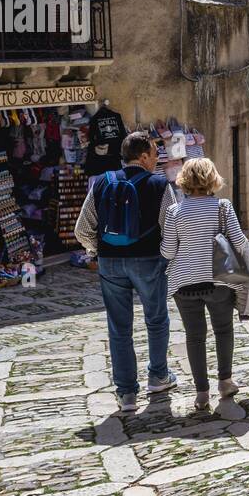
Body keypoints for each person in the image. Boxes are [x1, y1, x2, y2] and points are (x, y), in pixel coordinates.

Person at [75, 131, 178, 412]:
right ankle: (158, 376)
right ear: (143, 156)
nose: (158, 159)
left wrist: (99, 251)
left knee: (119, 328)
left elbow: (82, 229)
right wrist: (167, 256)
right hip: (148, 261)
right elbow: (170, 226)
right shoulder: (159, 184)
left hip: (110, 263)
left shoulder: (102, 183)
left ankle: (127, 393)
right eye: (156, 153)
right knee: (156, 319)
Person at [161, 158, 249, 411]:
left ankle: (201, 393)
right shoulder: (222, 207)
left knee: (194, 337)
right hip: (218, 280)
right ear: (212, 178)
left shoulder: (175, 212)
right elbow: (238, 241)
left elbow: (169, 252)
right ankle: (225, 382)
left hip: (184, 283)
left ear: (184, 179)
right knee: (223, 330)